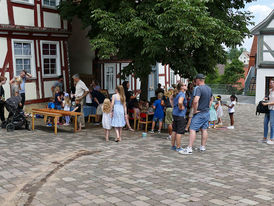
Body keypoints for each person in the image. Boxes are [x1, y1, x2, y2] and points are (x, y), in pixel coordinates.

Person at [180, 74, 213, 155]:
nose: (195, 81)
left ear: (198, 80)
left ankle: (189, 148)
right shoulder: (209, 88)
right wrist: (208, 105)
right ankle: (202, 147)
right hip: (206, 112)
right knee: (204, 129)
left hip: (200, 112)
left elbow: (195, 101)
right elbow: (212, 99)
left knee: (192, 129)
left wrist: (195, 110)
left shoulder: (199, 89)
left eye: (196, 80)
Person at [171, 83, 187, 153]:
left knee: (174, 130)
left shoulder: (176, 94)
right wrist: (180, 107)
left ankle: (173, 146)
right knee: (179, 131)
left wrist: (173, 106)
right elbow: (180, 102)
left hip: (174, 113)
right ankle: (178, 147)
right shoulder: (182, 94)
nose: (186, 86)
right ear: (181, 87)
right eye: (185, 85)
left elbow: (170, 98)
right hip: (180, 115)